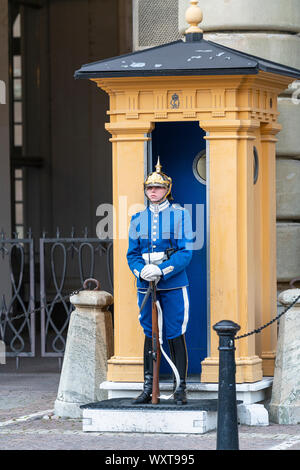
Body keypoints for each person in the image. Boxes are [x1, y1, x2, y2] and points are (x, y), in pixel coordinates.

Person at [127, 157, 193, 405]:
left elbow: (186, 252)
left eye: (158, 188)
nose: (153, 191)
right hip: (145, 284)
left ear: (167, 190)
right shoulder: (137, 219)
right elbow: (132, 254)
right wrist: (140, 271)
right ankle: (148, 388)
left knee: (176, 332)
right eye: (149, 188)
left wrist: (162, 271)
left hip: (172, 283)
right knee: (149, 333)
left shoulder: (180, 215)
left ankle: (180, 388)